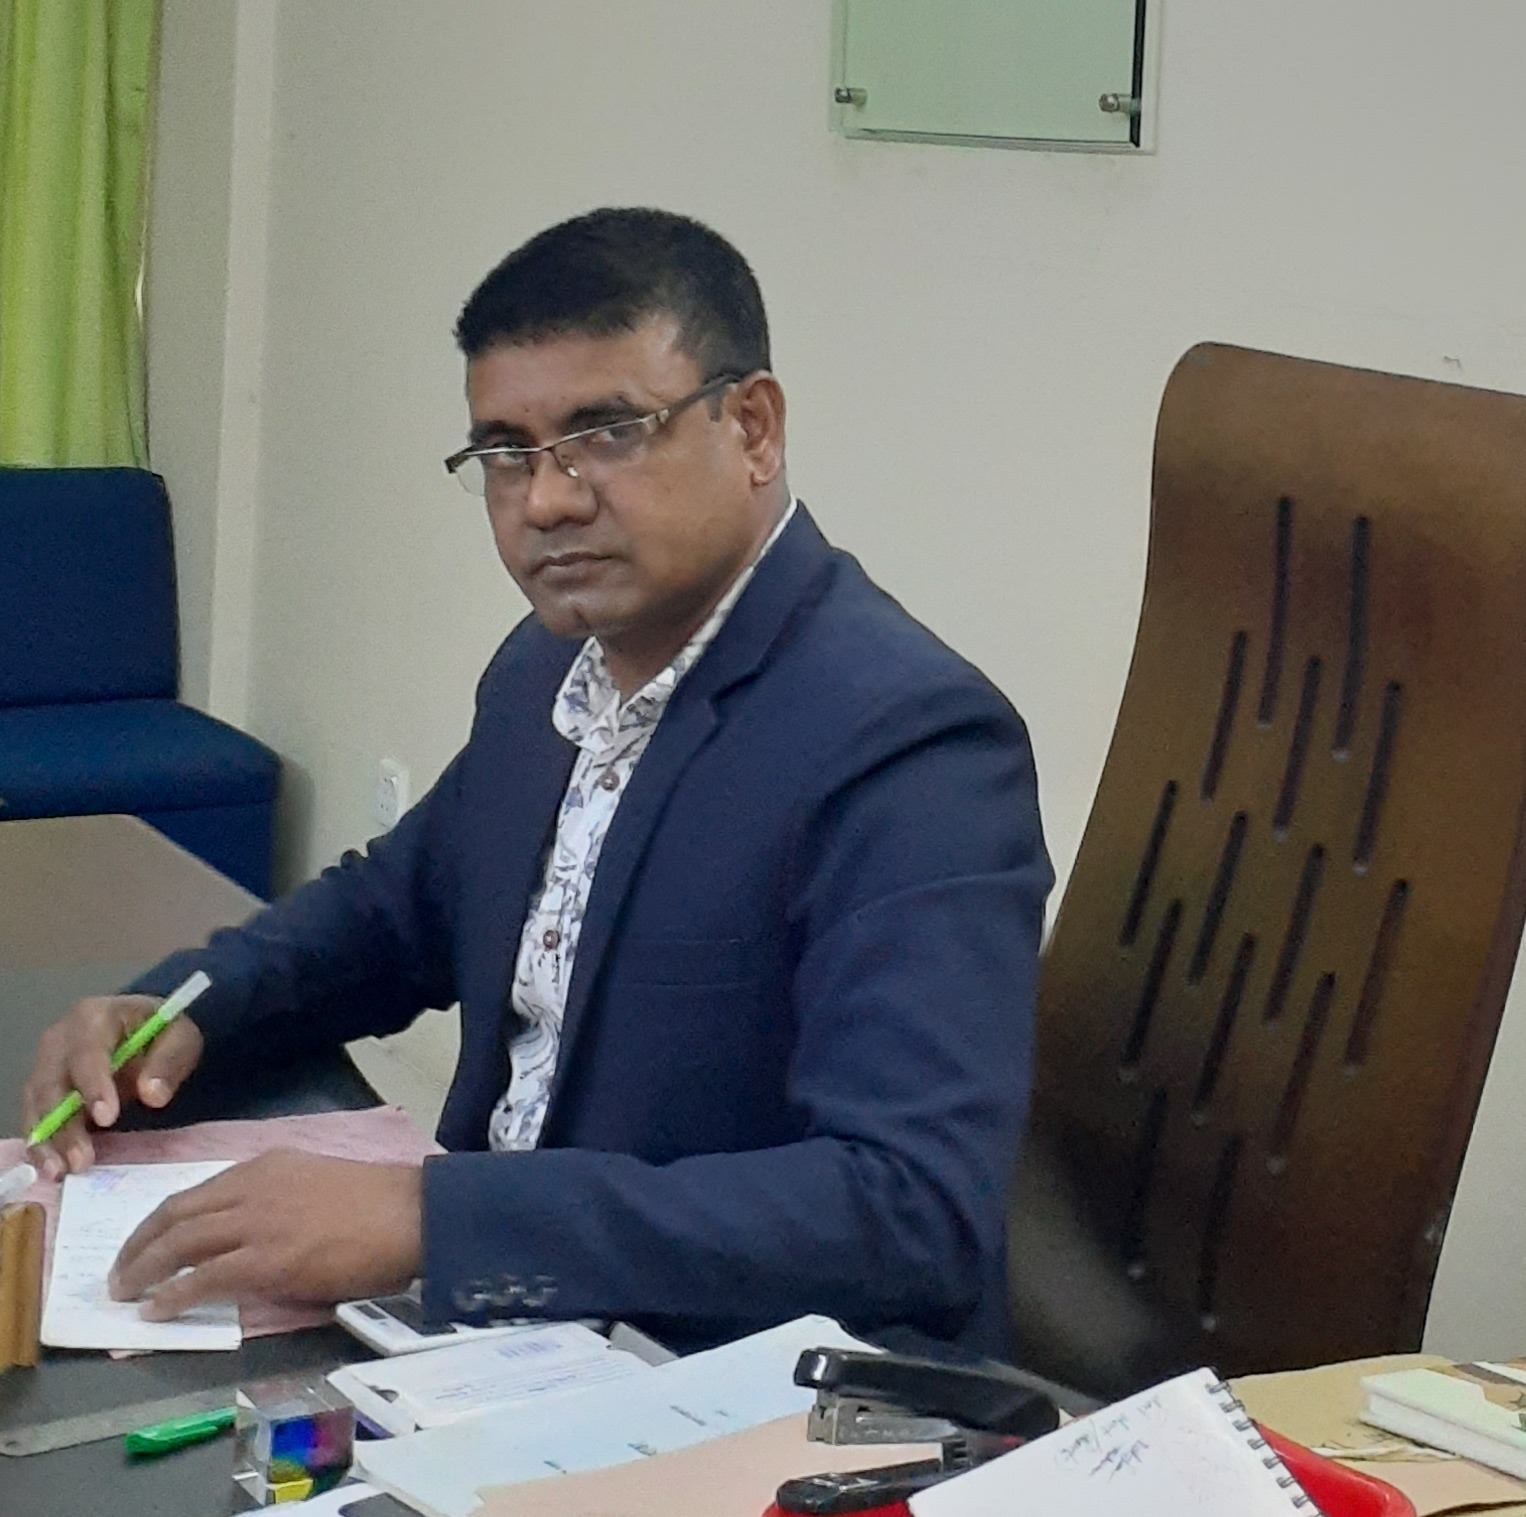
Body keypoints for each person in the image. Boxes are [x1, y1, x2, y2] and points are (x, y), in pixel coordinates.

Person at [21, 208, 1051, 1355]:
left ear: (753, 427)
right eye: (506, 451)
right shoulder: (548, 667)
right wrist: (182, 1011)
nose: (546, 500)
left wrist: (431, 1218)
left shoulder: (908, 743)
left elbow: (909, 1204)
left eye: (606, 432)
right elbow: (390, 913)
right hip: (497, 1336)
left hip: (734, 1374)